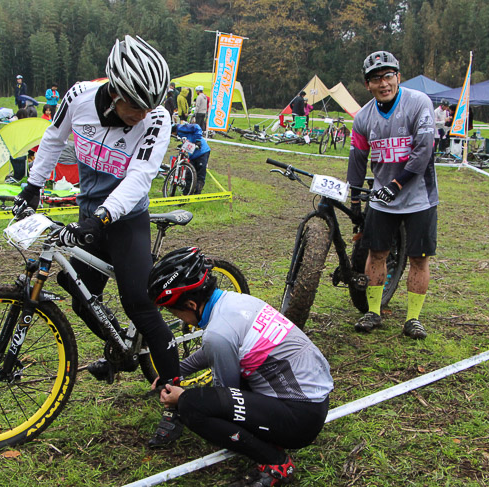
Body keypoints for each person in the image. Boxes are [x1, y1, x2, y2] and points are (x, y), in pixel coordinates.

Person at [11, 35, 181, 447]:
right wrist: (33, 185)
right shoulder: (78, 97)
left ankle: (178, 402)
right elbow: (53, 139)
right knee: (74, 287)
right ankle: (120, 348)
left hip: (127, 219)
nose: (142, 114)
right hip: (90, 211)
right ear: (115, 89)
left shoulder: (156, 118)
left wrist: (104, 216)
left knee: (139, 304)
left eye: (149, 106)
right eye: (135, 106)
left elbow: (140, 177)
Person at [147, 247, 333, 486]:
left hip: (300, 420)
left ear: (191, 304)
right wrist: (178, 370)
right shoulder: (235, 302)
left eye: (174, 312)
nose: (176, 318)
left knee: (193, 406)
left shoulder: (217, 333)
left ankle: (275, 462)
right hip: (313, 401)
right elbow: (220, 348)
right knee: (220, 384)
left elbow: (224, 396)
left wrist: (181, 399)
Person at [346, 50, 438, 340]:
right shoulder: (363, 117)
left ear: (398, 77)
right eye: (376, 79)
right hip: (381, 198)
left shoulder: (418, 103)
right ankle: (373, 312)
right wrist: (356, 200)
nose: (383, 83)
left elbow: (423, 152)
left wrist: (396, 186)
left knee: (418, 257)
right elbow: (358, 158)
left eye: (388, 76)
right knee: (376, 254)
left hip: (419, 197)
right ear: (367, 85)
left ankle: (413, 318)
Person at [171, 122, 210, 194]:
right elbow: (188, 138)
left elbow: (197, 126)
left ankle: (197, 193)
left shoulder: (180, 128)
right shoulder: (179, 134)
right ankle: (186, 194)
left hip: (202, 151)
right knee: (189, 174)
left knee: (200, 173)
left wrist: (198, 140)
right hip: (192, 154)